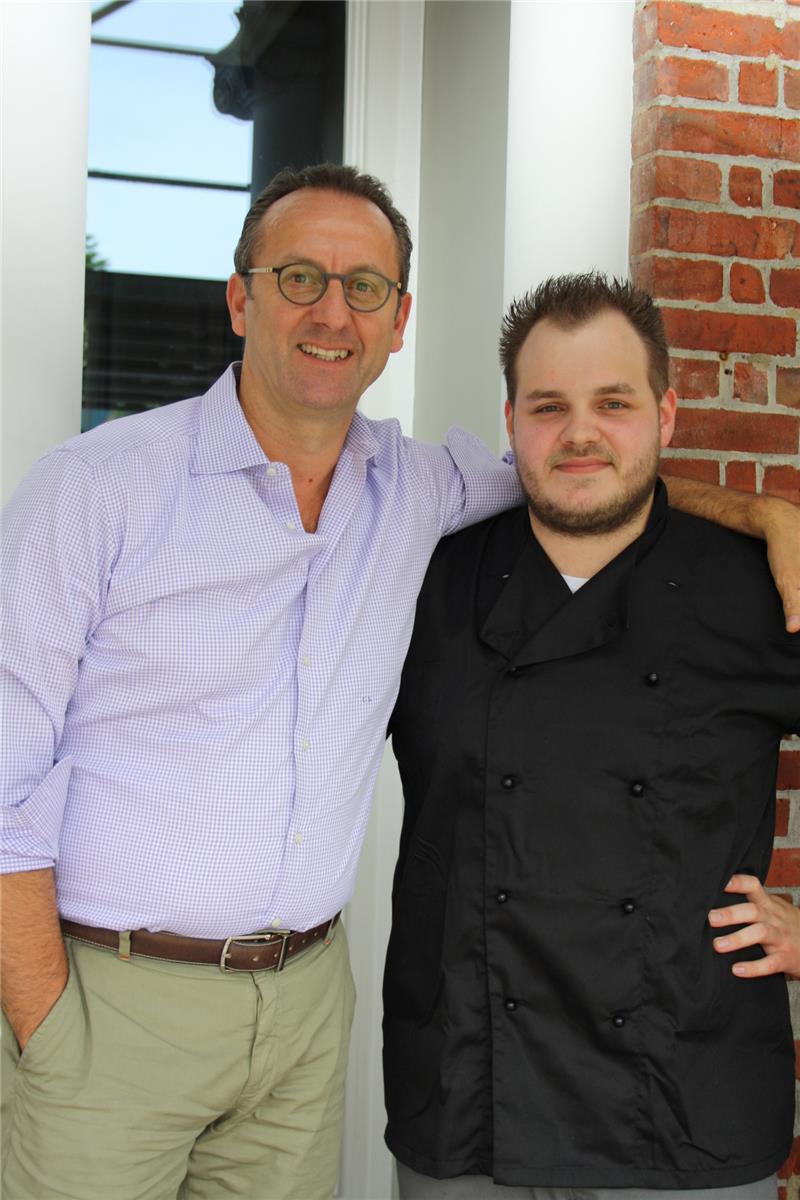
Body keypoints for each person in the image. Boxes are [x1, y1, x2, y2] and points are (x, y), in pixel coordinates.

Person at [0, 167, 796, 1200]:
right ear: (240, 298)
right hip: (113, 1003)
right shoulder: (100, 488)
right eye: (299, 278)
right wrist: (42, 1017)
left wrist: (763, 513)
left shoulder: (413, 490)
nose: (332, 311)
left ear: (399, 318)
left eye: (364, 286)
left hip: (302, 1019)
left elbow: (589, 473)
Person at [384, 273, 800, 1200]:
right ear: (511, 420)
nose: (580, 434)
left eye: (613, 403)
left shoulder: (758, 590)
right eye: (549, 407)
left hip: (686, 1106)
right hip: (470, 1098)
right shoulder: (424, 584)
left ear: (667, 415)